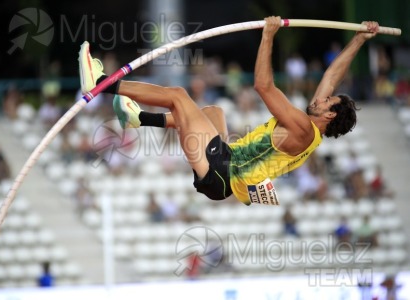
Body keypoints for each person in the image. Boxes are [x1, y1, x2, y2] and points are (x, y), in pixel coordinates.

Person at [78, 16, 379, 206]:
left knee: (178, 96)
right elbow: (331, 77)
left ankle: (103, 84)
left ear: (328, 116)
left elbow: (263, 85)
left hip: (222, 172)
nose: (322, 98)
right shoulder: (313, 131)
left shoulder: (302, 128)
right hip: (225, 165)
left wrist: (268, 35)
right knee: (213, 112)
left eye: (327, 102)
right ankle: (138, 118)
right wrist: (359, 39)